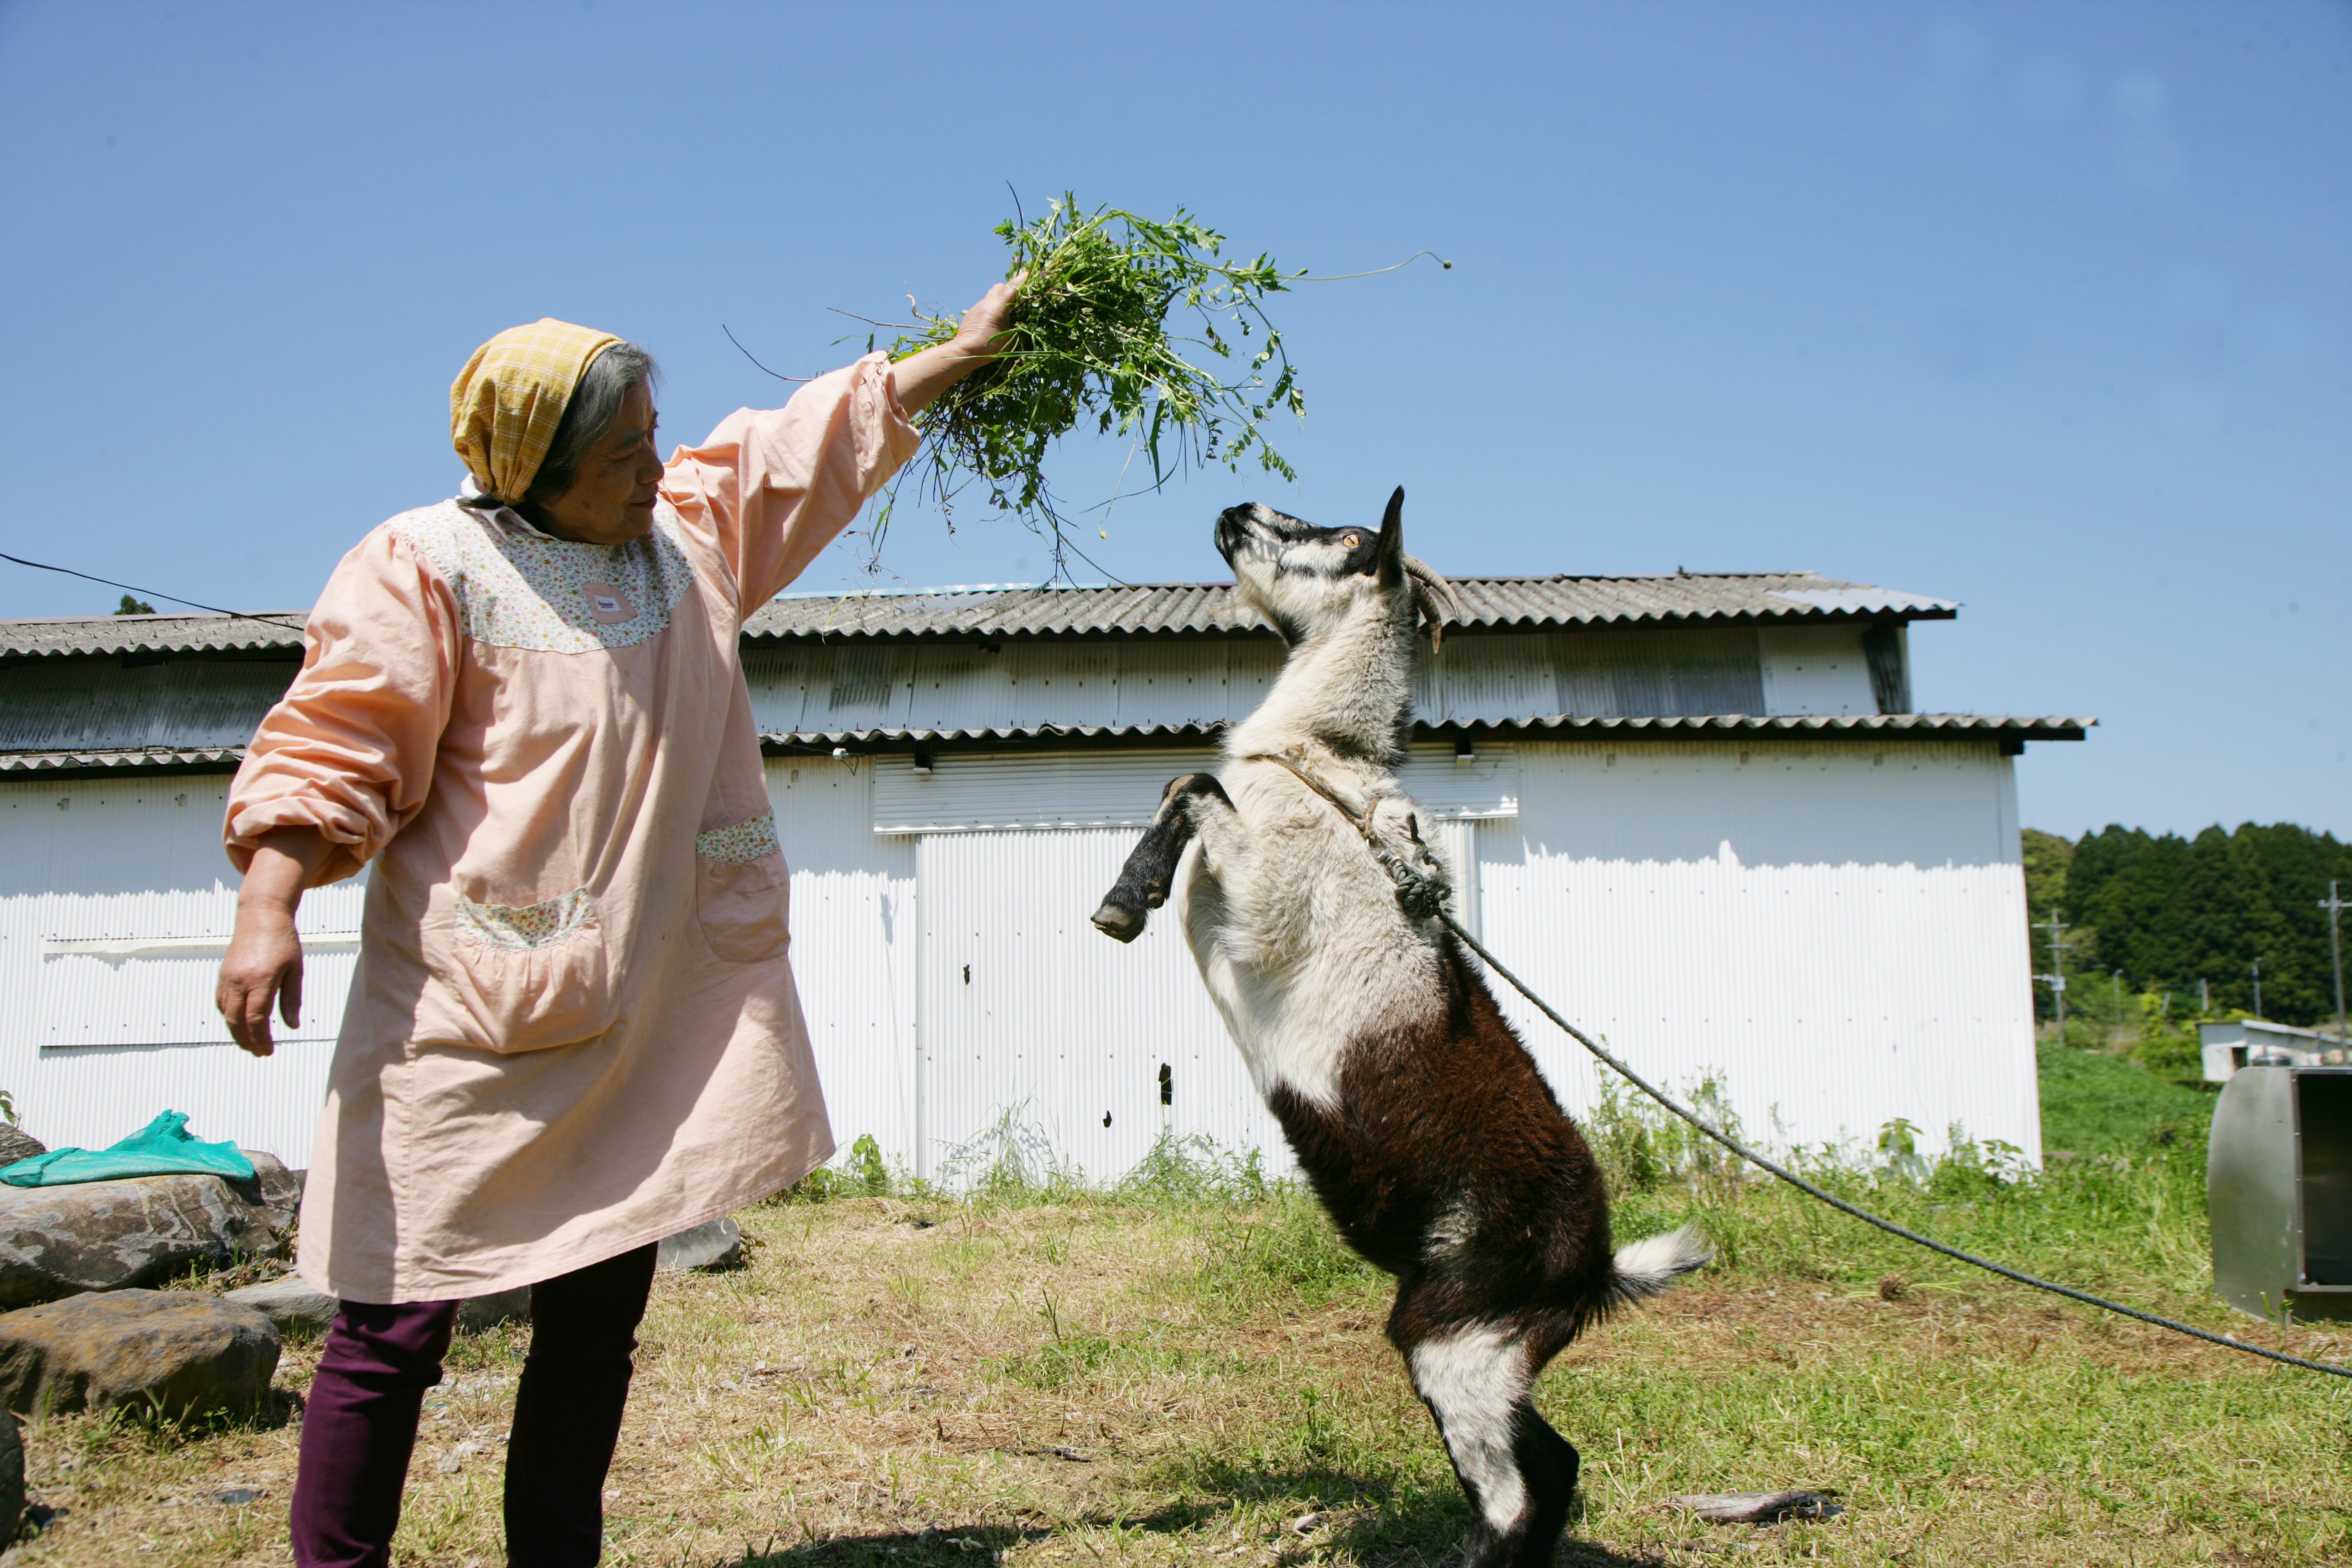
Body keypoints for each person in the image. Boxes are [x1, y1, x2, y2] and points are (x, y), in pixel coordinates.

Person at [214, 278, 1018, 1568]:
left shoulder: (684, 547)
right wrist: (270, 904)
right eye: (625, 450)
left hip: (642, 1012)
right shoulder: (427, 567)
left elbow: (793, 453)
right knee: (390, 1330)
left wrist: (956, 358)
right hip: (471, 1024)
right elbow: (341, 738)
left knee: (592, 1329)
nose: (659, 461)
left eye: (656, 431)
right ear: (533, 466)